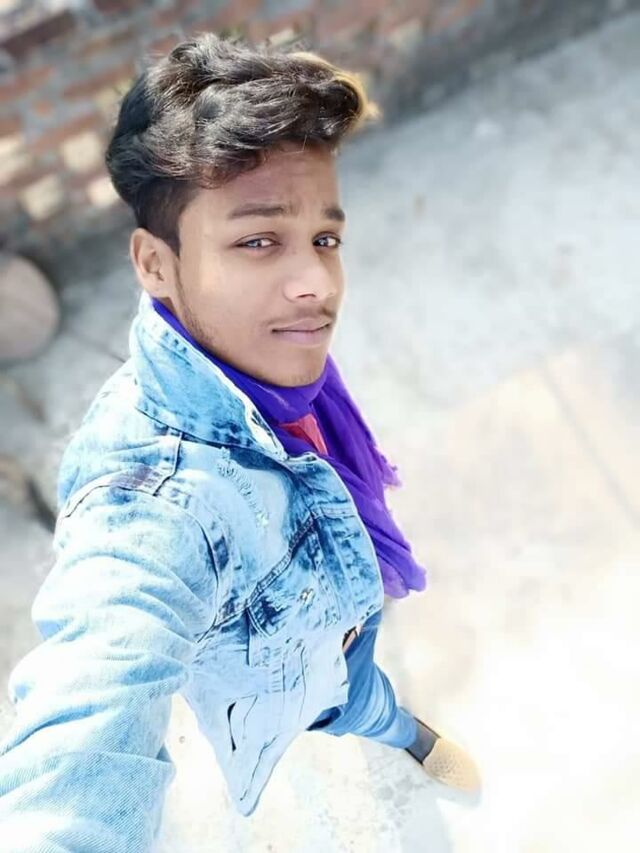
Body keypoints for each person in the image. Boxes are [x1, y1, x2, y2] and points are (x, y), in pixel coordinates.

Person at [0, 32, 480, 851]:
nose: (316, 285)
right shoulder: (150, 499)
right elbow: (83, 726)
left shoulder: (269, 360)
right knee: (332, 711)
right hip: (285, 683)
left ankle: (404, 732)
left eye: (324, 239)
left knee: (371, 692)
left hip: (344, 612)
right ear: (155, 264)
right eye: (258, 241)